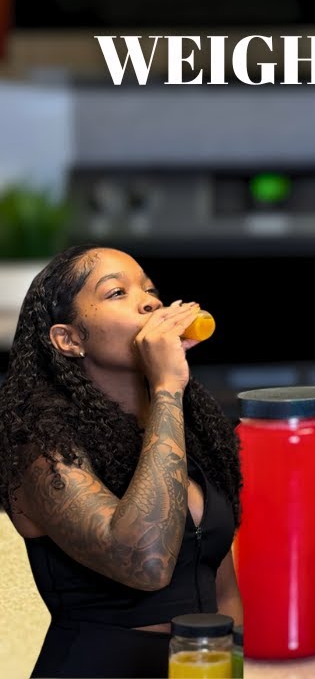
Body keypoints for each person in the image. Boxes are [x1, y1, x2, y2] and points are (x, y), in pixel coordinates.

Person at [0, 245, 242, 677]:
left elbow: (224, 592)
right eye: (117, 292)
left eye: (150, 290)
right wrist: (166, 386)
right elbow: (147, 563)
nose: (149, 302)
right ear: (69, 339)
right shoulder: (40, 448)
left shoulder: (189, 430)